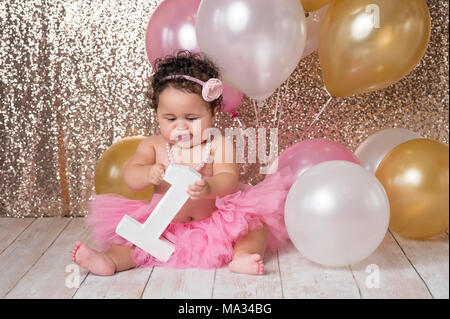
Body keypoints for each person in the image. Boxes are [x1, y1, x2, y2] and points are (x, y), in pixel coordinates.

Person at [72, 50, 293, 276]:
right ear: (157, 114)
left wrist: (210, 187)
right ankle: (111, 261)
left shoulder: (218, 144)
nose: (181, 127)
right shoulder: (153, 146)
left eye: (191, 118)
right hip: (164, 226)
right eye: (170, 119)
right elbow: (130, 176)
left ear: (213, 112)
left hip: (214, 225)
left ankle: (242, 256)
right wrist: (147, 173)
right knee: (131, 240)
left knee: (255, 227)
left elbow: (228, 179)